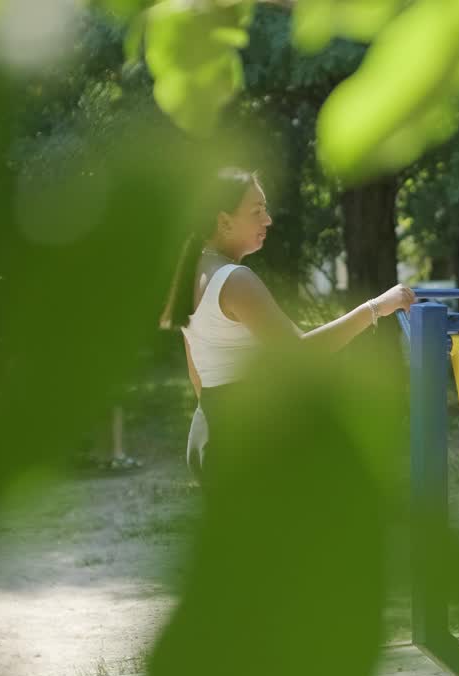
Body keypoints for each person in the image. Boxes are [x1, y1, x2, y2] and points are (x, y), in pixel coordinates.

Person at [159, 168, 414, 478]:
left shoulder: (193, 272)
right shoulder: (234, 280)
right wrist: (376, 307)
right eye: (257, 211)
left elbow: (196, 374)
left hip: (208, 432)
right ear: (224, 220)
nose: (268, 220)